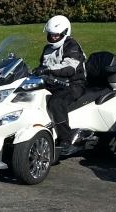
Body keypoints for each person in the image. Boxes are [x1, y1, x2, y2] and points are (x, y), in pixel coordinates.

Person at [32, 15, 87, 156]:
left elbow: (69, 68)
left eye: (56, 35)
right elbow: (42, 66)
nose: (53, 38)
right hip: (53, 83)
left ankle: (66, 140)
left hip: (73, 84)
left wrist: (47, 70)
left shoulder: (72, 45)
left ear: (65, 32)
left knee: (56, 103)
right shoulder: (47, 48)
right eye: (51, 35)